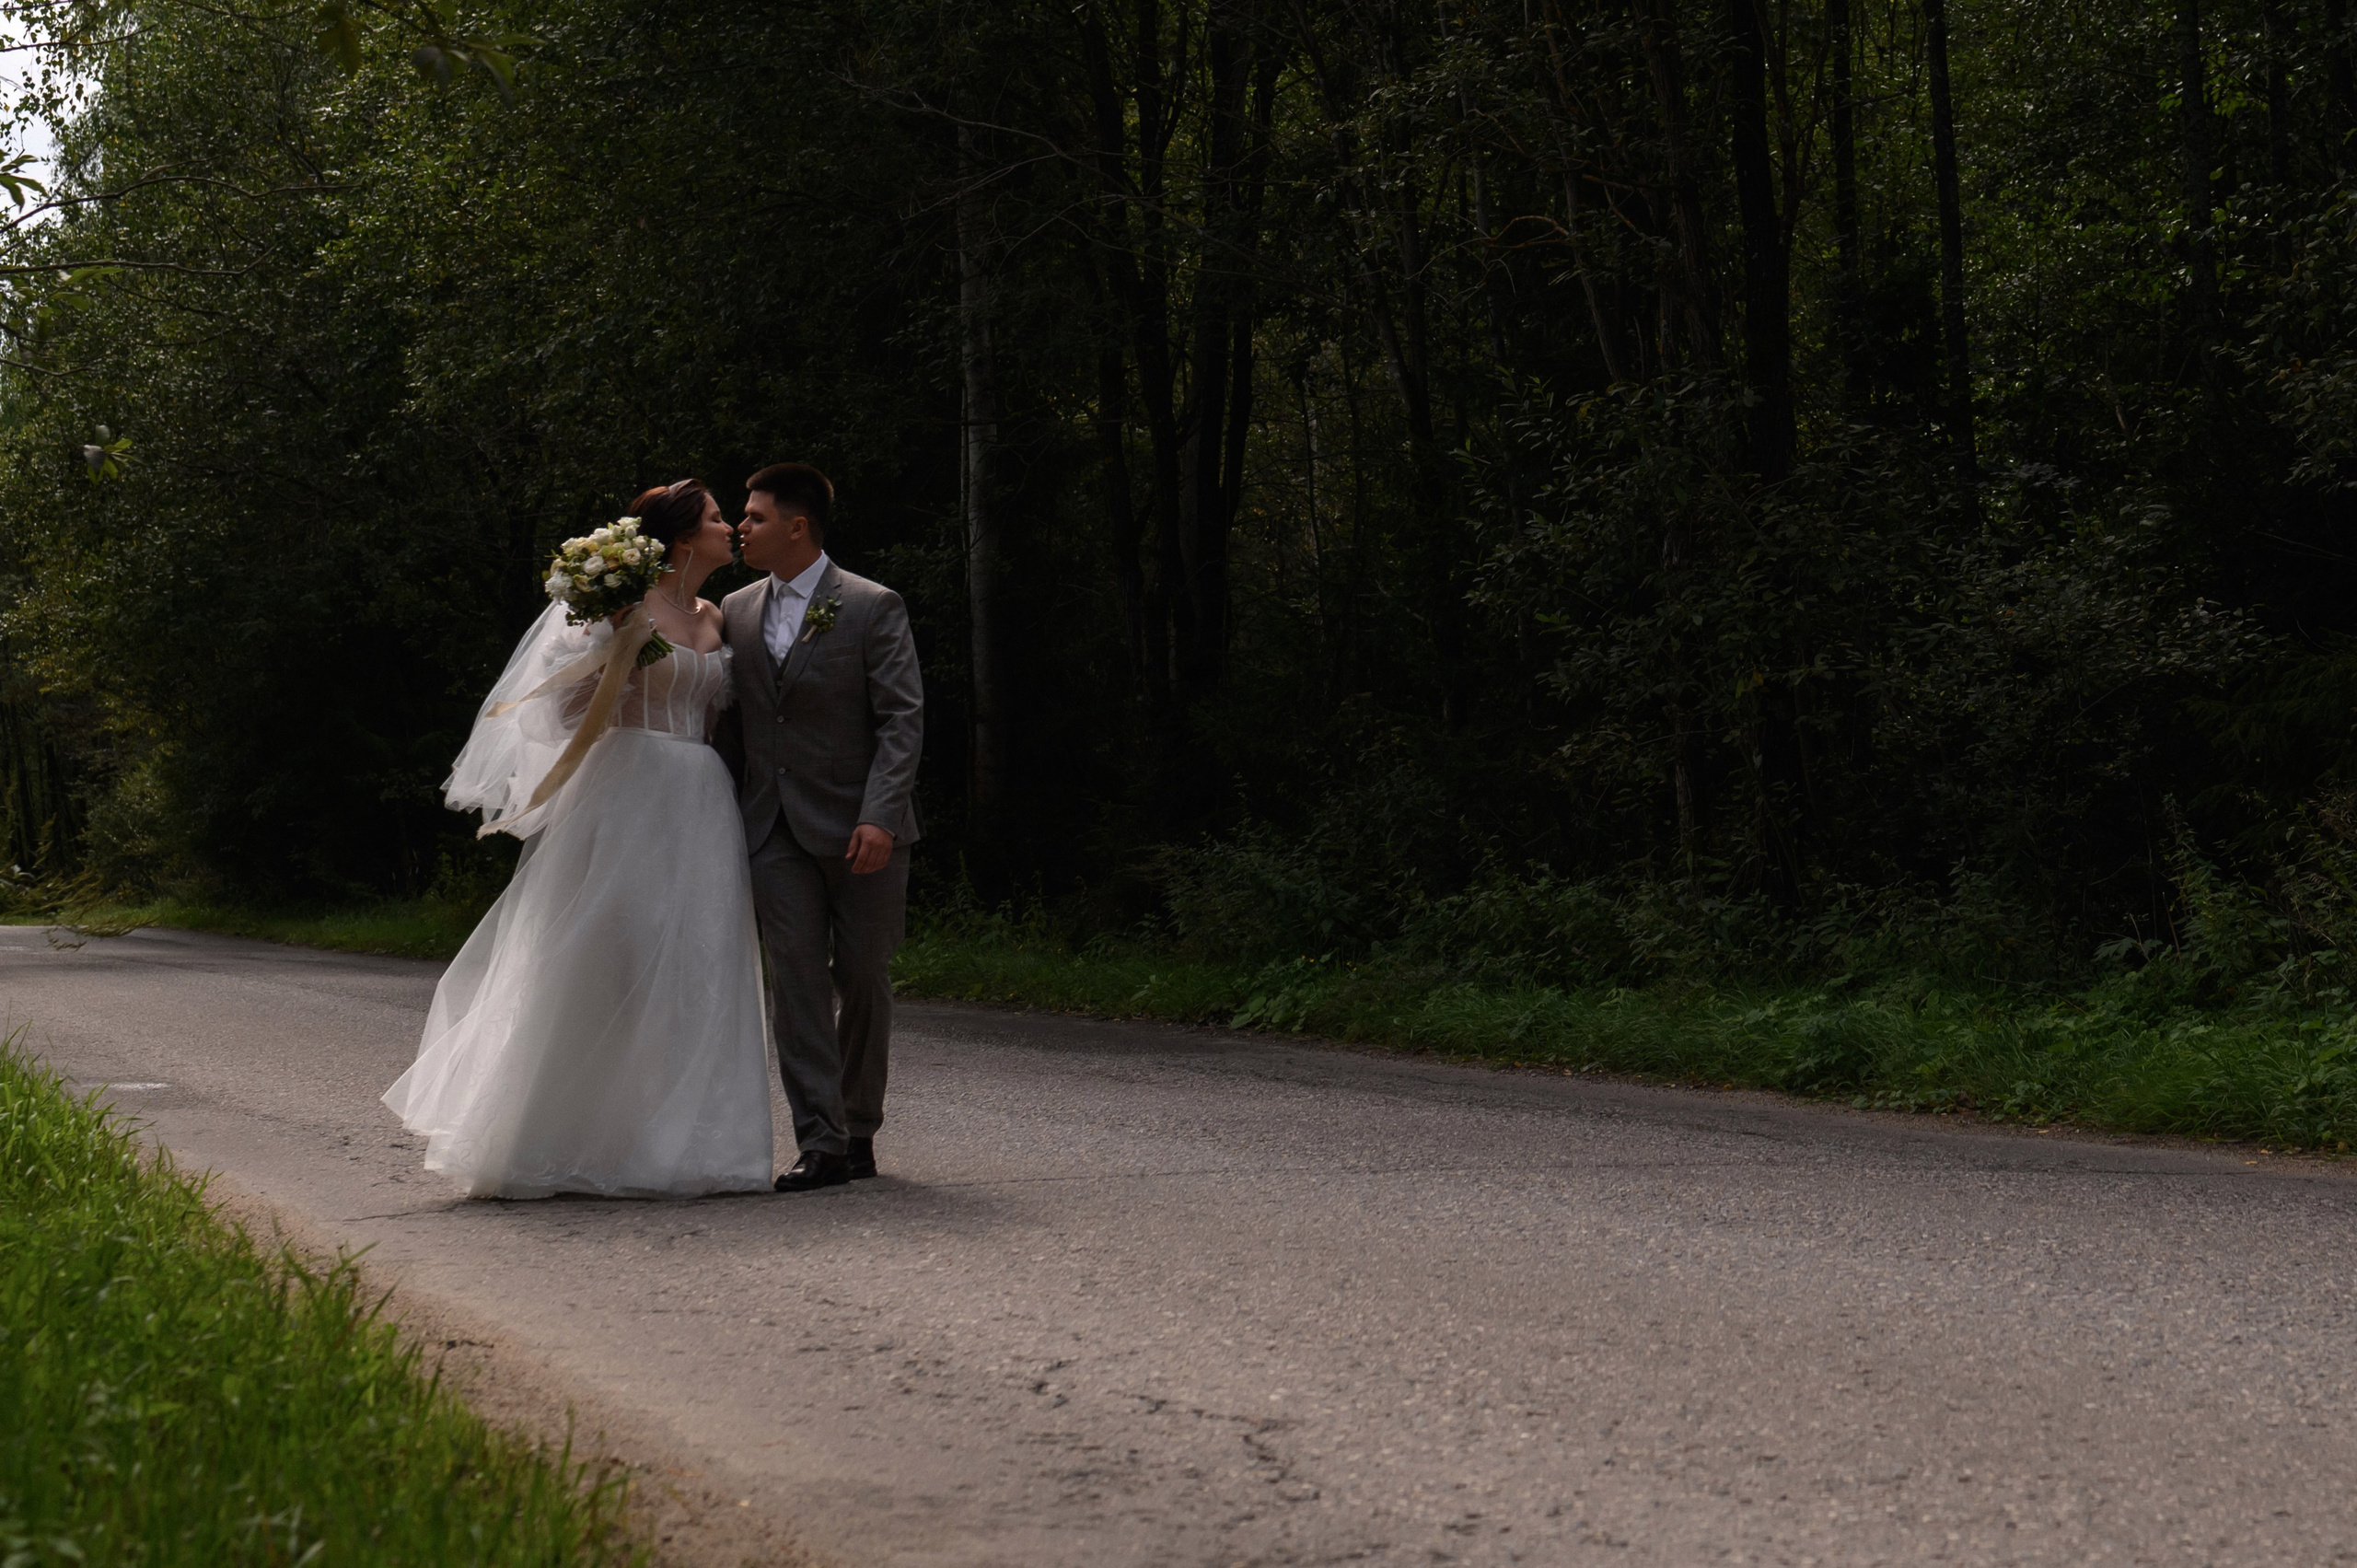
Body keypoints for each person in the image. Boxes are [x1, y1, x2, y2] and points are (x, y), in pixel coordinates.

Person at [383, 480, 774, 1199]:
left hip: (702, 798)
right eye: (719, 519)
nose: (730, 530)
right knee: (604, 954)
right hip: (628, 787)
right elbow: (557, 711)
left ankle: (688, 1143)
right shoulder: (622, 609)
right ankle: (557, 1137)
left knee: (700, 958)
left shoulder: (718, 614)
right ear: (684, 538)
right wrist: (612, 658)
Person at [715, 463, 923, 1191]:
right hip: (771, 829)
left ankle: (859, 1123)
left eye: (755, 516)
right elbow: (733, 724)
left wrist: (881, 815)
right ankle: (822, 1141)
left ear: (797, 526)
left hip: (861, 828)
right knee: (796, 984)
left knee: (863, 975)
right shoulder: (733, 610)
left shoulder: (871, 605)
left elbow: (902, 718)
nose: (742, 527)